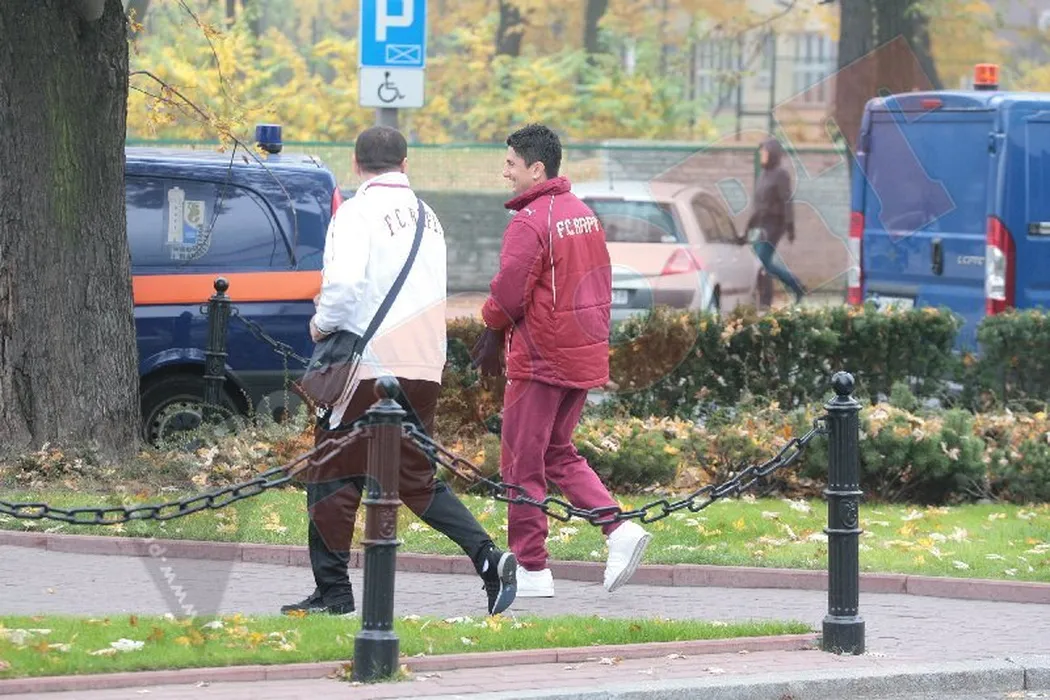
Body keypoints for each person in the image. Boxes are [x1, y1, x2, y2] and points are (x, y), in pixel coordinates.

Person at [281, 125, 517, 617]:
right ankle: (488, 557)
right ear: (405, 165)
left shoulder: (356, 213)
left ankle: (333, 592)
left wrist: (321, 325)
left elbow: (343, 289)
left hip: (369, 367)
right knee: (416, 479)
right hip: (423, 365)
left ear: (355, 163)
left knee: (331, 473)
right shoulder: (430, 218)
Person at [471, 123, 652, 598]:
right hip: (578, 353)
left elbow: (510, 291)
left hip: (541, 357)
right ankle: (617, 529)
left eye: (511, 163)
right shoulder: (583, 214)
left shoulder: (530, 220)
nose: (505, 171)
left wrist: (490, 327)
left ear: (537, 169)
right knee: (555, 451)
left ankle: (533, 568)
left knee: (520, 464)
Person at [746, 137, 806, 308]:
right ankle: (791, 287)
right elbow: (758, 204)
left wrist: (790, 226)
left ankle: (782, 291)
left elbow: (787, 201)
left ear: (772, 154)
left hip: (774, 225)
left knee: (761, 261)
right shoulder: (763, 175)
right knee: (761, 263)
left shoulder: (781, 175)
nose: (762, 155)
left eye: (765, 152)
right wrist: (749, 226)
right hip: (760, 224)